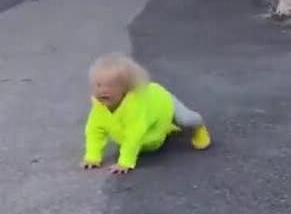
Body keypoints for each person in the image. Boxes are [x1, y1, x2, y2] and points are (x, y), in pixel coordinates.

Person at [81, 53, 211, 174]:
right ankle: (167, 126)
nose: (103, 90)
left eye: (111, 86)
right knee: (155, 127)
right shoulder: (99, 107)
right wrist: (92, 156)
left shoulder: (135, 107)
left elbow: (134, 135)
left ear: (126, 87)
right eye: (98, 85)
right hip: (150, 128)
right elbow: (94, 131)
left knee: (186, 119)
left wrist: (125, 162)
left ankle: (198, 126)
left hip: (161, 101)